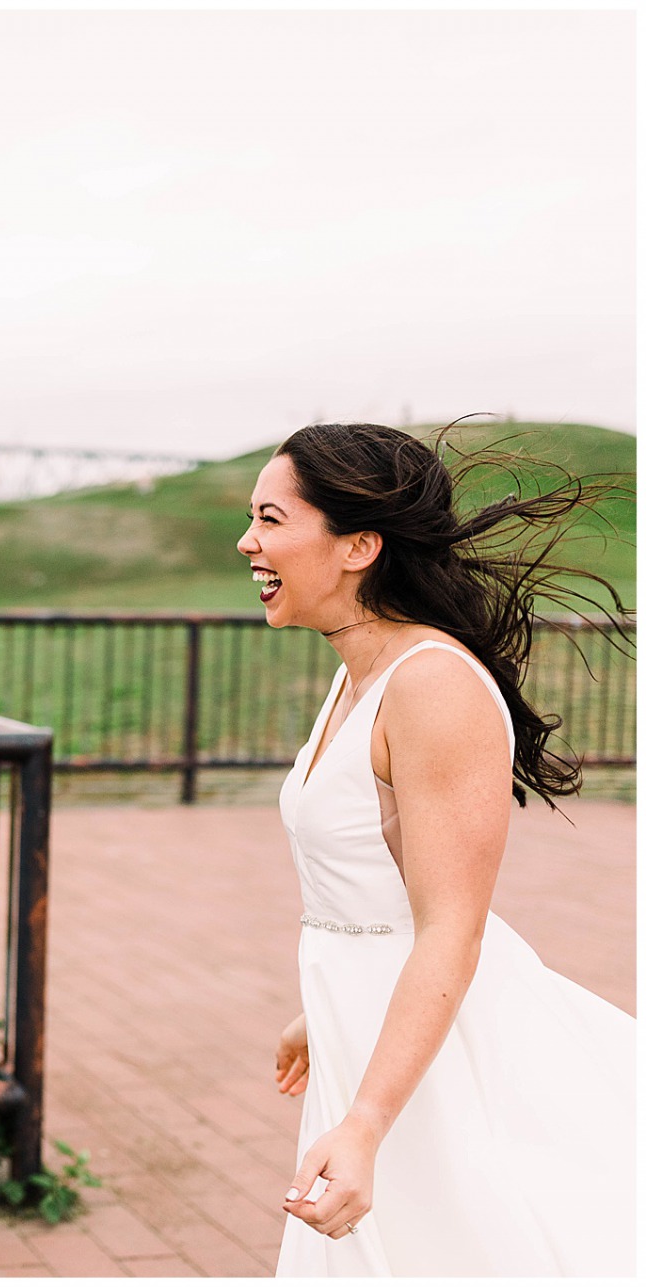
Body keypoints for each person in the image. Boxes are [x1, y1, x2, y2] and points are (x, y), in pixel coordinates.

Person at [237, 423, 635, 1276]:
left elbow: (452, 926)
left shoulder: (431, 684)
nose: (248, 542)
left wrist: (368, 1122)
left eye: (270, 519)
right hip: (373, 1037)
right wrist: (326, 1005)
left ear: (358, 545)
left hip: (434, 1069)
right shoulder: (359, 670)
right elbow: (374, 894)